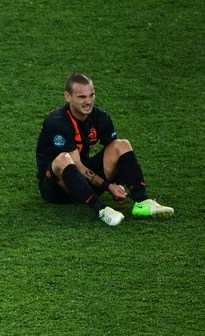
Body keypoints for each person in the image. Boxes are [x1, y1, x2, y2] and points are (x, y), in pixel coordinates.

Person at [36, 72, 174, 226]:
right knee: (64, 159)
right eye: (82, 97)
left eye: (91, 95)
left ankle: (142, 201)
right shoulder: (57, 121)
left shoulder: (101, 117)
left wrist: (119, 184)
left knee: (121, 145)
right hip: (57, 188)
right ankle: (101, 209)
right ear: (68, 97)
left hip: (83, 181)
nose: (88, 101)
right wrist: (108, 187)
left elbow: (117, 158)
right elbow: (77, 165)